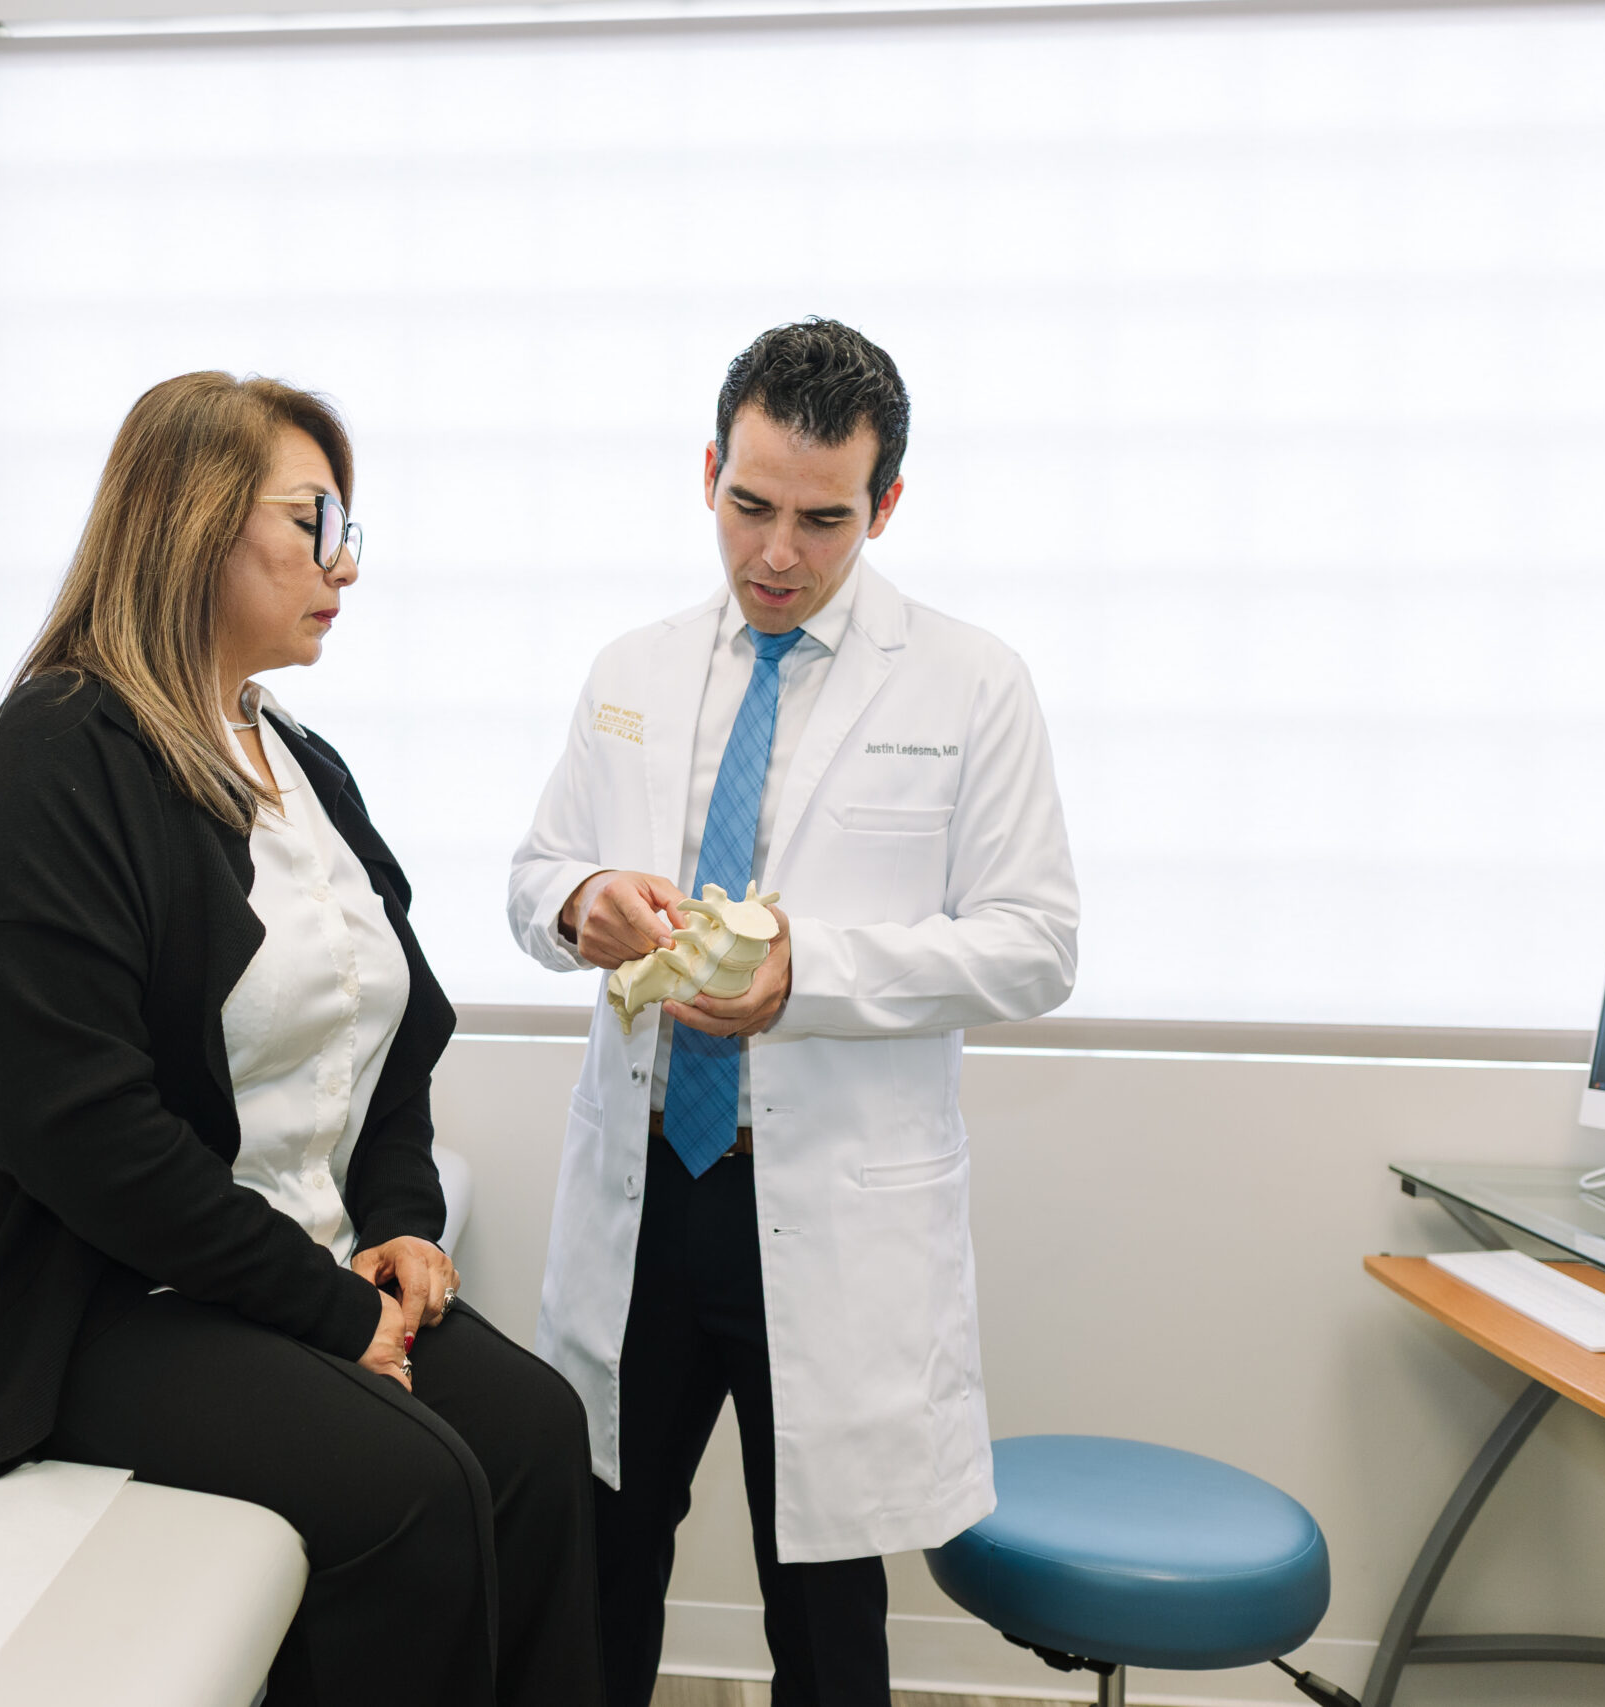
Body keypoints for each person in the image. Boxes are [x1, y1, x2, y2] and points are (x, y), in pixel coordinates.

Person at [0, 372, 601, 1707]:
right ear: (194, 521)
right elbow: (75, 1128)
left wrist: (400, 1222)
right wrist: (330, 1310)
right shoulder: (58, 752)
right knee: (410, 1485)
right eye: (316, 525)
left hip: (258, 1259)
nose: (345, 567)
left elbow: (390, 1037)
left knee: (541, 1431)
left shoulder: (297, 758)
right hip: (74, 1293)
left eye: (349, 529)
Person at [507, 319, 1079, 1706]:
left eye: (823, 521)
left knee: (822, 1611)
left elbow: (1036, 947)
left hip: (822, 1206)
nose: (776, 554)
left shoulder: (970, 682)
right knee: (598, 1566)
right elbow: (533, 880)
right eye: (750, 505)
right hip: (645, 1190)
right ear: (708, 470)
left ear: (886, 504)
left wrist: (803, 975)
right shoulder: (632, 671)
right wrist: (582, 903)